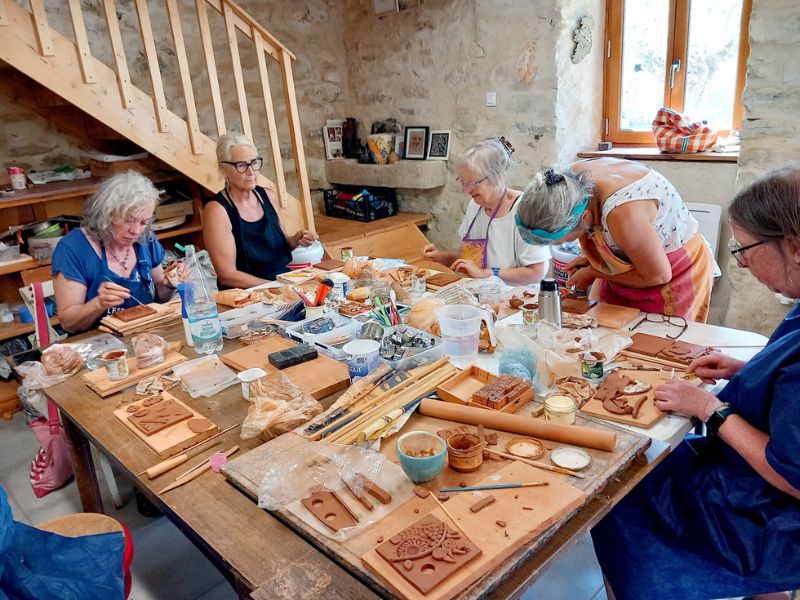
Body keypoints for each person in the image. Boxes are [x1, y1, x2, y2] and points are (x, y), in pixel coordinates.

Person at [591, 167, 800, 600]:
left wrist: (709, 409)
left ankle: (652, 584)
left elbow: (791, 475)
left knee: (618, 492)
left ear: (794, 247)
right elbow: (788, 378)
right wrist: (744, 369)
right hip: (751, 476)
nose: (740, 263)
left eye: (745, 250)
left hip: (775, 519)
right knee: (648, 463)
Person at [515, 157, 713, 321]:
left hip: (672, 267)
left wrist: (595, 272)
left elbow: (658, 276)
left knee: (660, 341)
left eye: (564, 240)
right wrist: (593, 260)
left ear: (583, 218)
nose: (566, 244)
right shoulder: (565, 186)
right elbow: (611, 236)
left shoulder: (622, 214)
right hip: (640, 250)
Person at [52, 171, 176, 334]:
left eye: (144, 222)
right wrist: (98, 304)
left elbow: (161, 297)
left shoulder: (146, 239)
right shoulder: (73, 248)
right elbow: (69, 323)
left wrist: (170, 283)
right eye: (129, 220)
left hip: (146, 334)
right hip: (97, 343)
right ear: (106, 215)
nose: (136, 231)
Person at [421, 137, 550, 285]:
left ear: (498, 177)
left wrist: (487, 273)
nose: (466, 190)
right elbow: (468, 259)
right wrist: (441, 257)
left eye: (473, 183)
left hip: (519, 299)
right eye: (464, 182)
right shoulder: (475, 206)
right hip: (484, 295)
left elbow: (537, 272)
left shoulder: (524, 209)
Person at [204, 133, 317, 288]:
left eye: (254, 163)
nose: (251, 171)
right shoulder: (217, 210)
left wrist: (297, 239)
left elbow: (282, 245)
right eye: (242, 165)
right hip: (247, 296)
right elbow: (227, 275)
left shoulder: (268, 196)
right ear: (223, 170)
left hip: (283, 283)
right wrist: (275, 287)